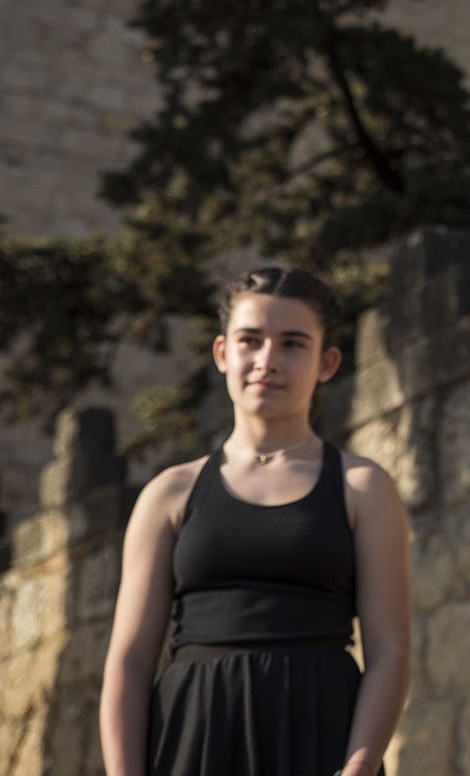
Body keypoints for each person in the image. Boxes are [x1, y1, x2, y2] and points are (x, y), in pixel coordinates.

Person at [99, 267, 411, 776]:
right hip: (192, 737)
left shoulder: (364, 488)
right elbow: (129, 663)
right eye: (251, 341)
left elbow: (390, 652)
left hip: (319, 734)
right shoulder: (169, 494)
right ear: (222, 353)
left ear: (327, 362)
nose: (267, 361)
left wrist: (359, 767)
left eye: (292, 344)